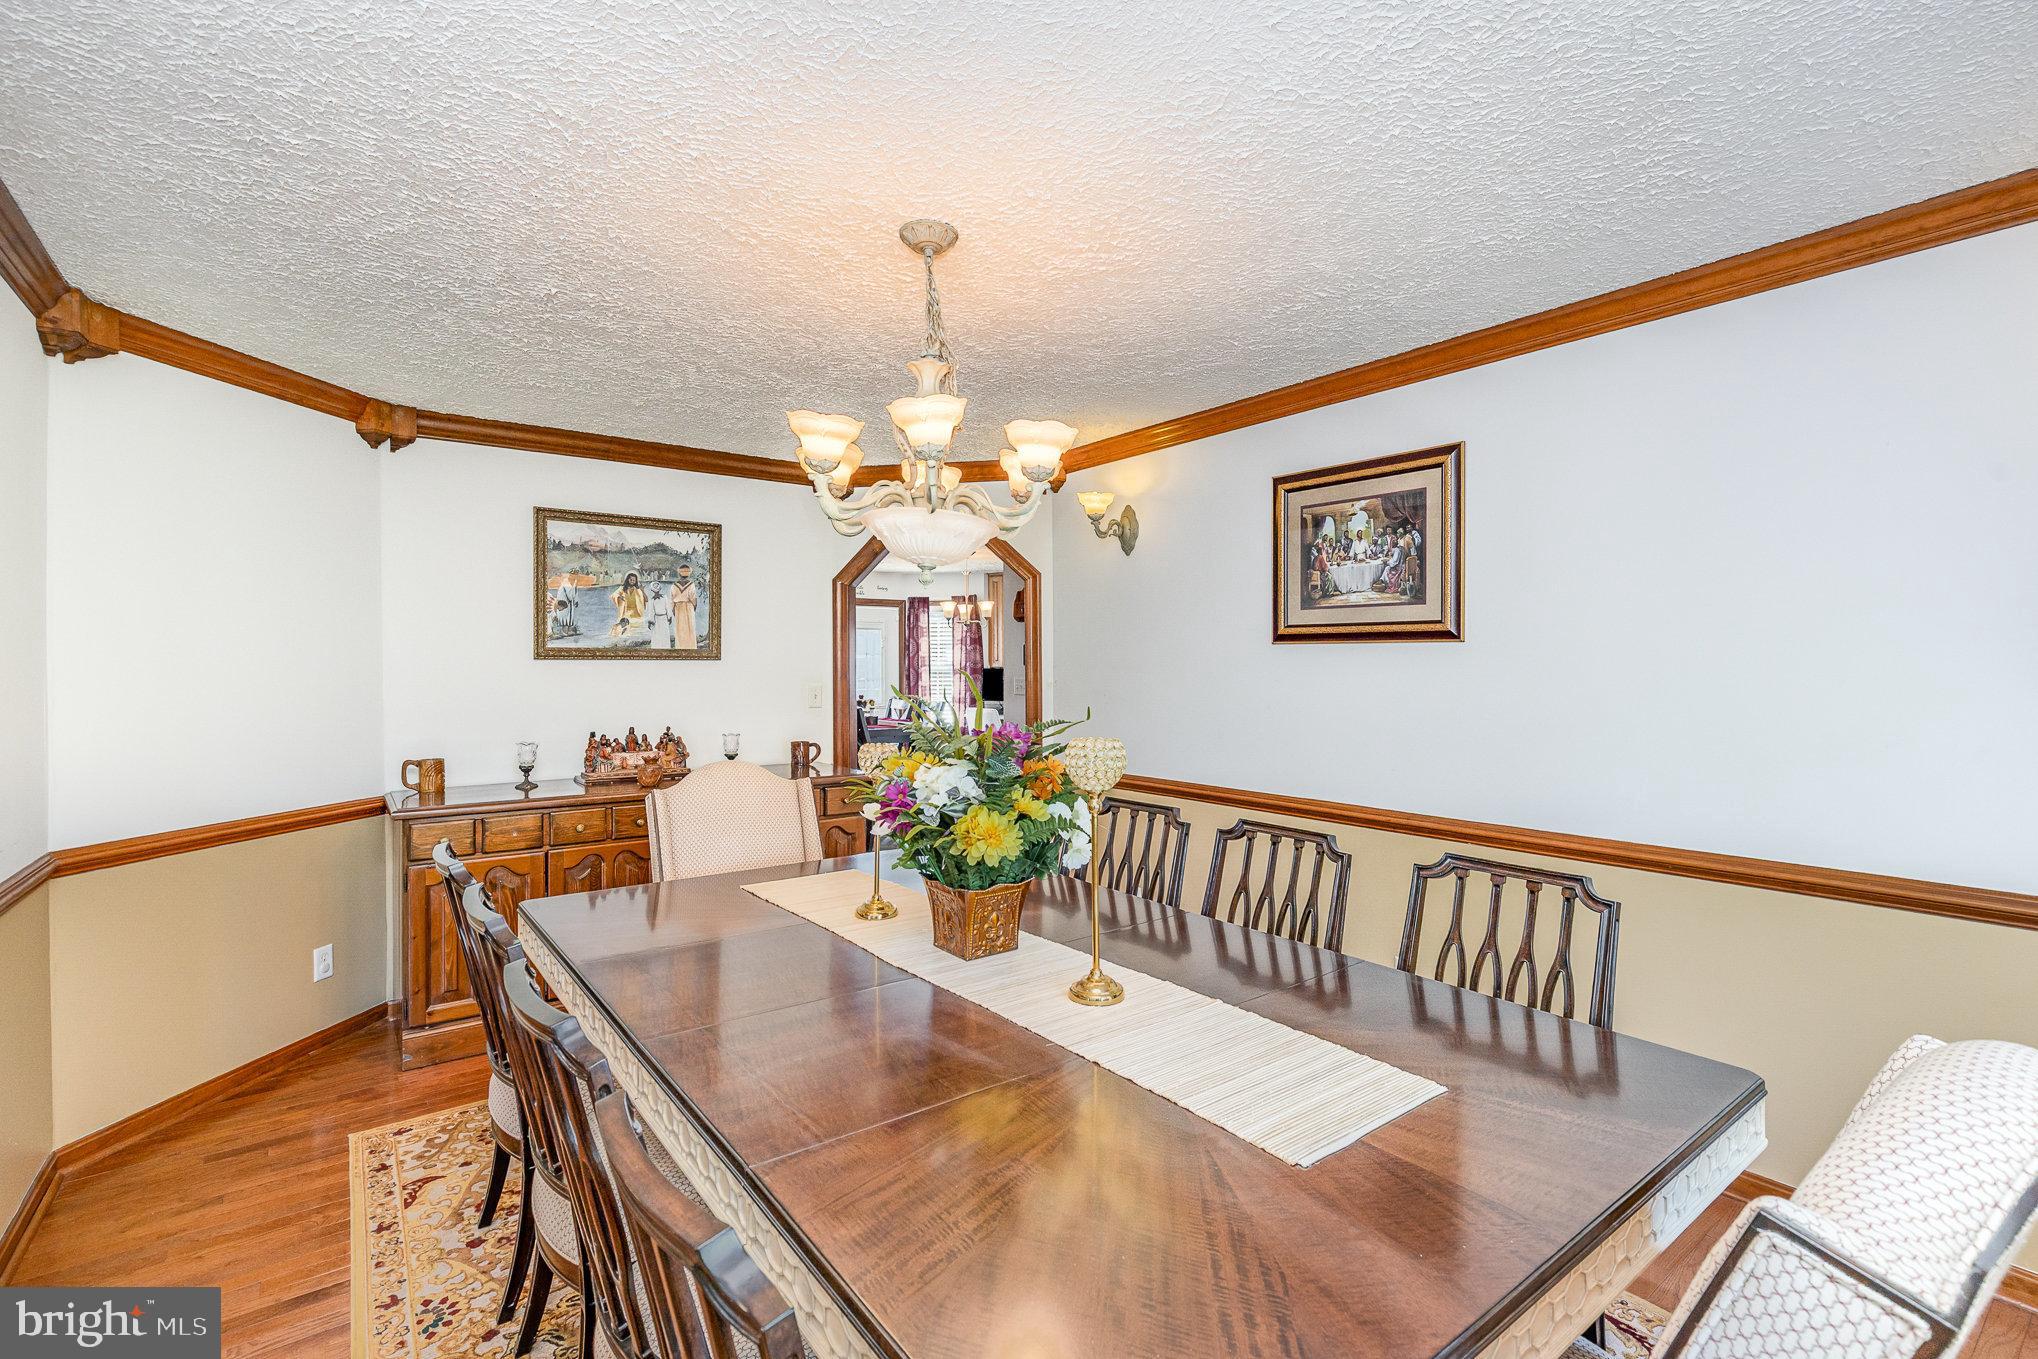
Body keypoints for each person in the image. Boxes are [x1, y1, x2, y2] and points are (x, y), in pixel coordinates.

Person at [670, 563, 700, 650]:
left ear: (679, 573)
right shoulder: (691, 585)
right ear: (689, 573)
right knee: (690, 627)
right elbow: (693, 598)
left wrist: (673, 610)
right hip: (689, 607)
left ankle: (680, 646)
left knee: (679, 628)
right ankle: (690, 646)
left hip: (678, 607)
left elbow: (672, 600)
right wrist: (694, 606)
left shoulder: (673, 585)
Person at [610, 571, 647, 639]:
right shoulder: (622, 588)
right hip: (625, 612)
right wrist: (619, 596)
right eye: (631, 580)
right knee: (624, 629)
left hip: (636, 613)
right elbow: (613, 595)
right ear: (627, 580)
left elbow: (646, 599)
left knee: (635, 631)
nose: (632, 581)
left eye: (634, 580)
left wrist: (643, 591)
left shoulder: (638, 590)